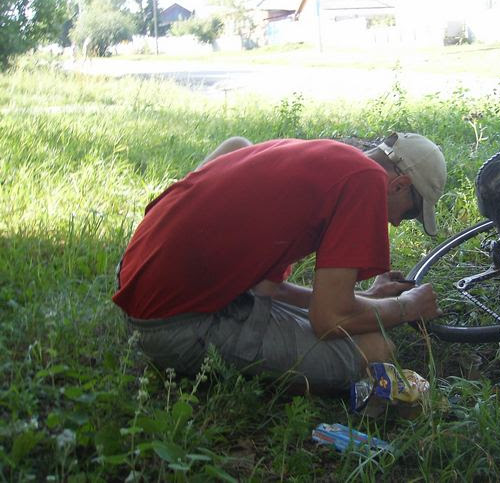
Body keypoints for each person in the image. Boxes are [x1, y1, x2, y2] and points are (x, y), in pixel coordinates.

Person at [112, 132, 447, 392]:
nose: (399, 223)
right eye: (412, 212)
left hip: (137, 278)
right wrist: (406, 307)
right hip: (171, 326)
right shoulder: (366, 182)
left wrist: (370, 301)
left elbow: (270, 288)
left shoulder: (327, 157)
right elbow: (329, 319)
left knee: (239, 145)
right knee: (375, 348)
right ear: (399, 184)